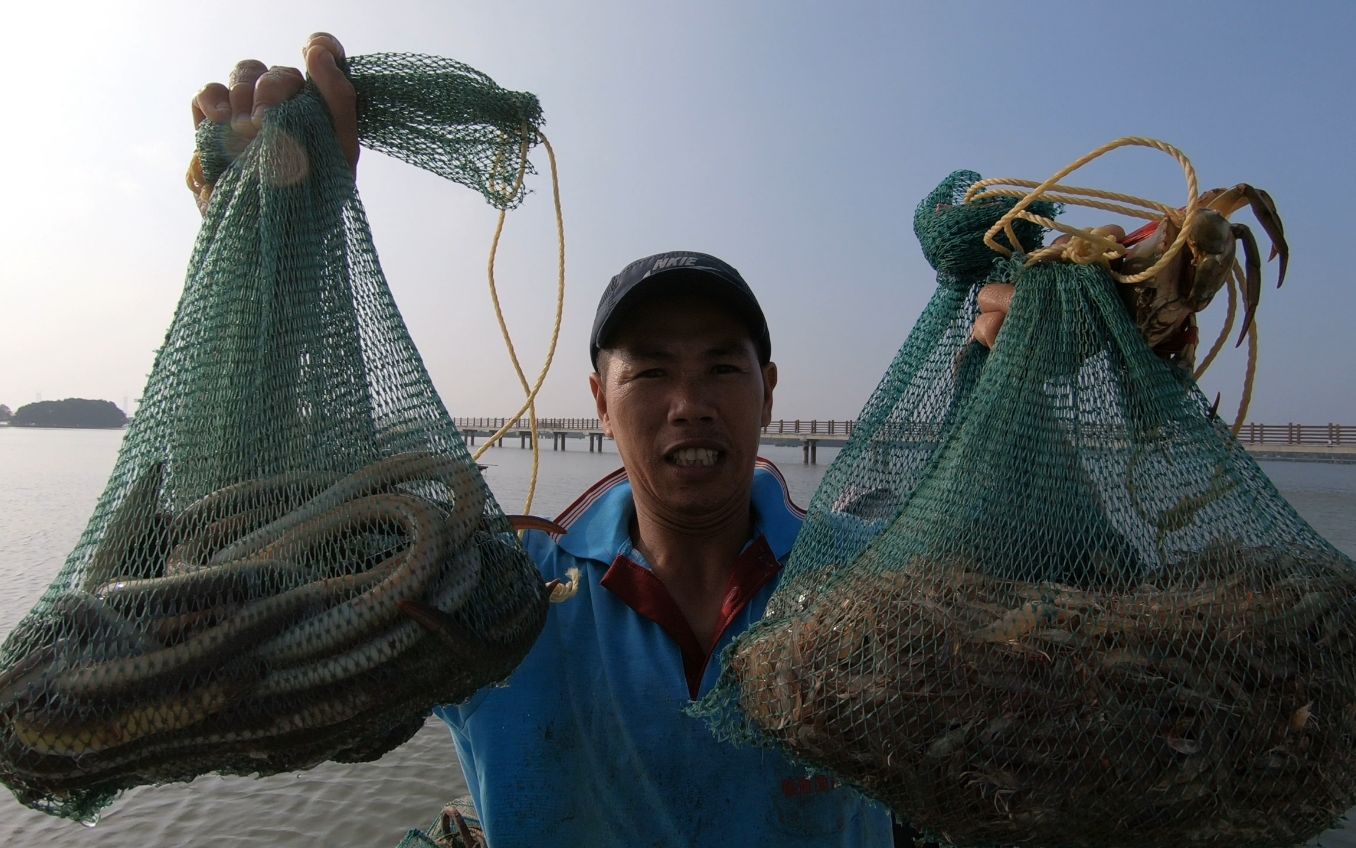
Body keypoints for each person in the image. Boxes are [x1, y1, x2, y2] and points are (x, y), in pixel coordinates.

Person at [192, 34, 894, 847]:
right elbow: (276, 588)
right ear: (600, 403)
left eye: (722, 371)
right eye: (652, 372)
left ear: (769, 391)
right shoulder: (508, 602)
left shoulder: (871, 585)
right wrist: (282, 256)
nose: (690, 403)